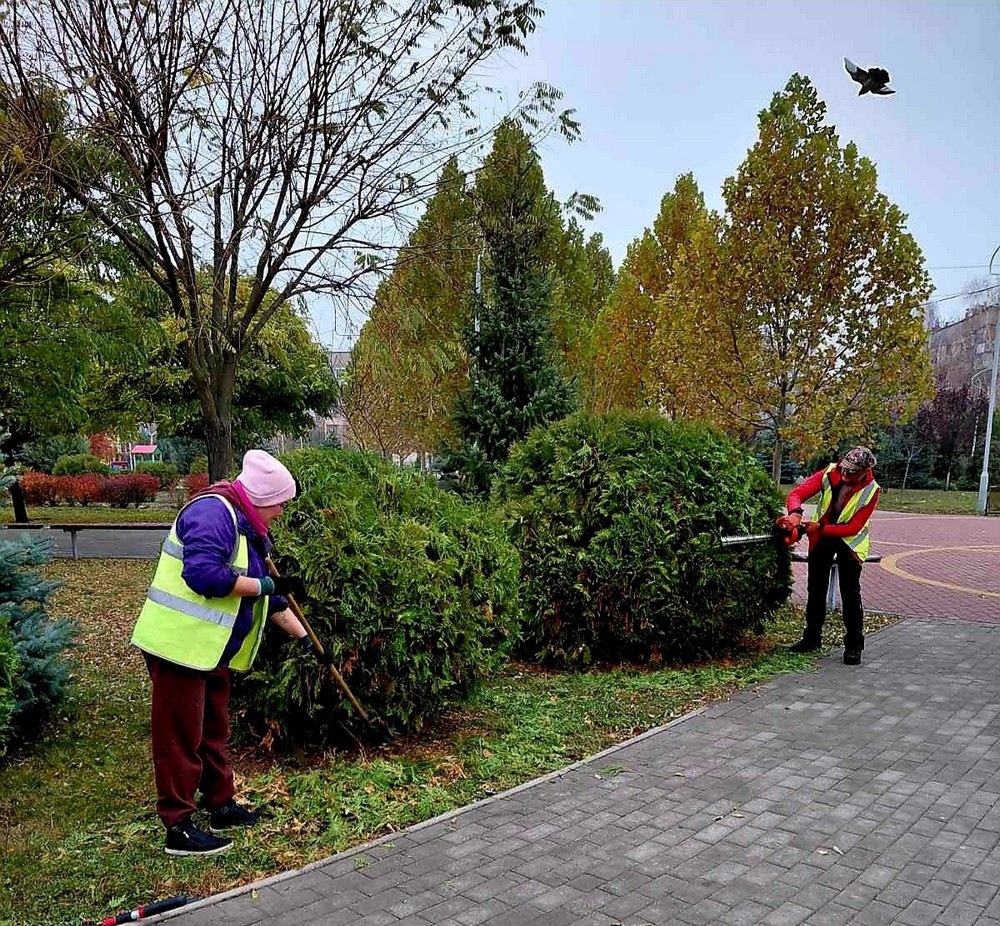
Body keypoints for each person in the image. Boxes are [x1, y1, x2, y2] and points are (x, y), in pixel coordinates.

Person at [131, 449, 312, 856]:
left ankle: (221, 805)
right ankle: (177, 826)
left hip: (211, 650)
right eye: (282, 504)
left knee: (214, 731)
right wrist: (267, 587)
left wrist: (308, 641)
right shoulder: (212, 514)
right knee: (180, 738)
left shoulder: (249, 525)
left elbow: (273, 597)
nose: (283, 511)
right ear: (264, 499)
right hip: (177, 646)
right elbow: (203, 576)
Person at [778, 446, 880, 666]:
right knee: (815, 589)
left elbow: (854, 527)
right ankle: (812, 638)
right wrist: (795, 513)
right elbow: (797, 494)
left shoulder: (871, 490)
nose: (846, 474)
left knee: (850, 593)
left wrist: (820, 528)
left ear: (864, 471)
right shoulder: (829, 472)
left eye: (852, 472)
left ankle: (854, 645)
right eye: (845, 468)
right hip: (821, 537)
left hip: (849, 542)